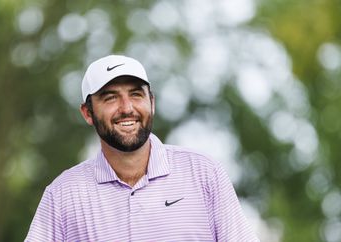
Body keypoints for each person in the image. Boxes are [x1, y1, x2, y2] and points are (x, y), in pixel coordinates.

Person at [25, 55, 259, 241]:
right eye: (110, 98)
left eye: (136, 94)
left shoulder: (204, 174)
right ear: (88, 113)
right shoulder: (63, 194)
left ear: (152, 102)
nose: (127, 108)